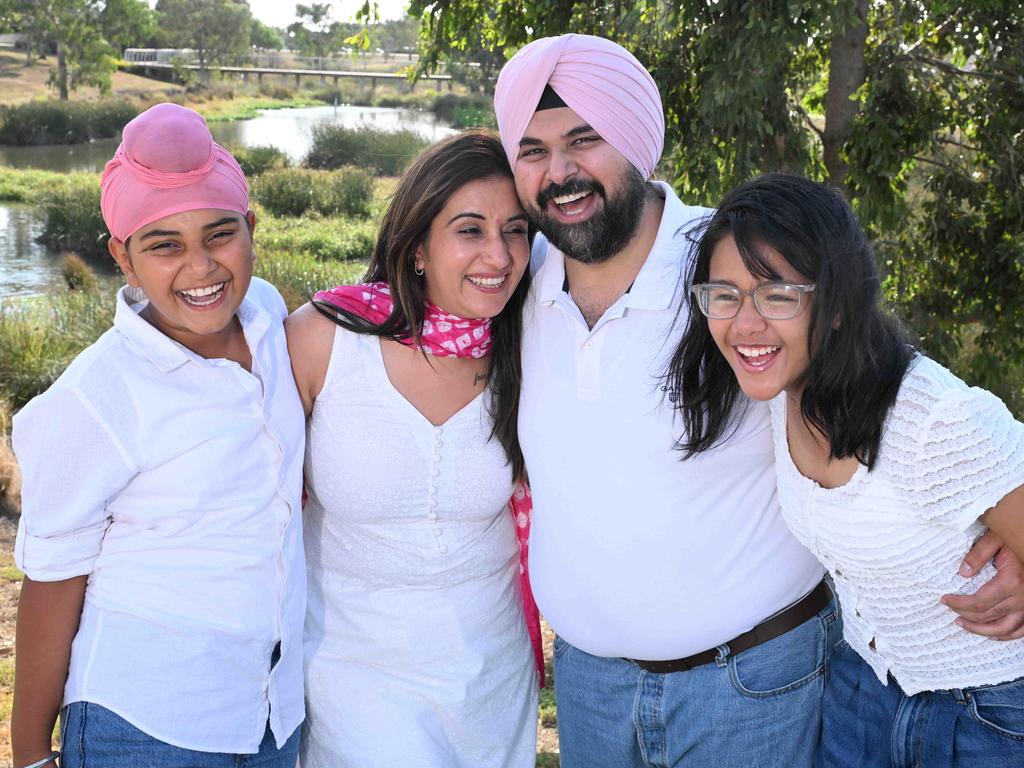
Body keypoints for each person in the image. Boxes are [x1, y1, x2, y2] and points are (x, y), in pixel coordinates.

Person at [492, 33, 1024, 768]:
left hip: (750, 687)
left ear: (637, 142)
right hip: (589, 690)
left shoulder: (725, 261)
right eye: (533, 151)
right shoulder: (510, 279)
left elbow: (881, 373)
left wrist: (1002, 521)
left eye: (585, 140)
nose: (561, 172)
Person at [672, 173, 1024, 767]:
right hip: (861, 694)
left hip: (988, 713)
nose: (744, 324)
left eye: (777, 294)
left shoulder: (932, 421)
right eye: (724, 295)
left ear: (836, 305)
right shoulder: (775, 397)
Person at [10, 103, 305, 768]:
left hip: (274, 715)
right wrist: (30, 752)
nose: (200, 268)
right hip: (144, 727)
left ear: (251, 228)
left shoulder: (268, 319)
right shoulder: (98, 396)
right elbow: (54, 581)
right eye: (164, 244)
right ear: (124, 257)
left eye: (220, 235)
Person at [286, 130, 539, 768]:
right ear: (418, 247)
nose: (499, 255)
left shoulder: (535, 348)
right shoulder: (323, 340)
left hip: (489, 680)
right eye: (470, 230)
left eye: (515, 230)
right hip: (352, 675)